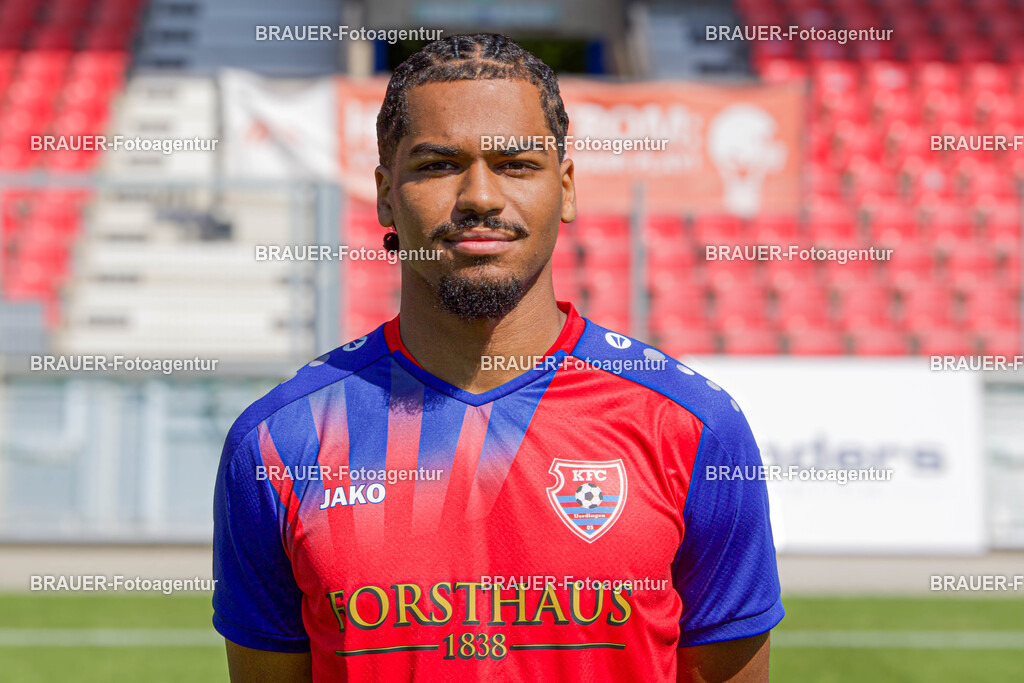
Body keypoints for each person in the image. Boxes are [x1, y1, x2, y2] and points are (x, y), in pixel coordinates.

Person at [213, 33, 783, 682]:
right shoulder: (279, 443)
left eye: (516, 163)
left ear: (565, 188)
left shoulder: (692, 428)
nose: (480, 196)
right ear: (385, 194)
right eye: (438, 164)